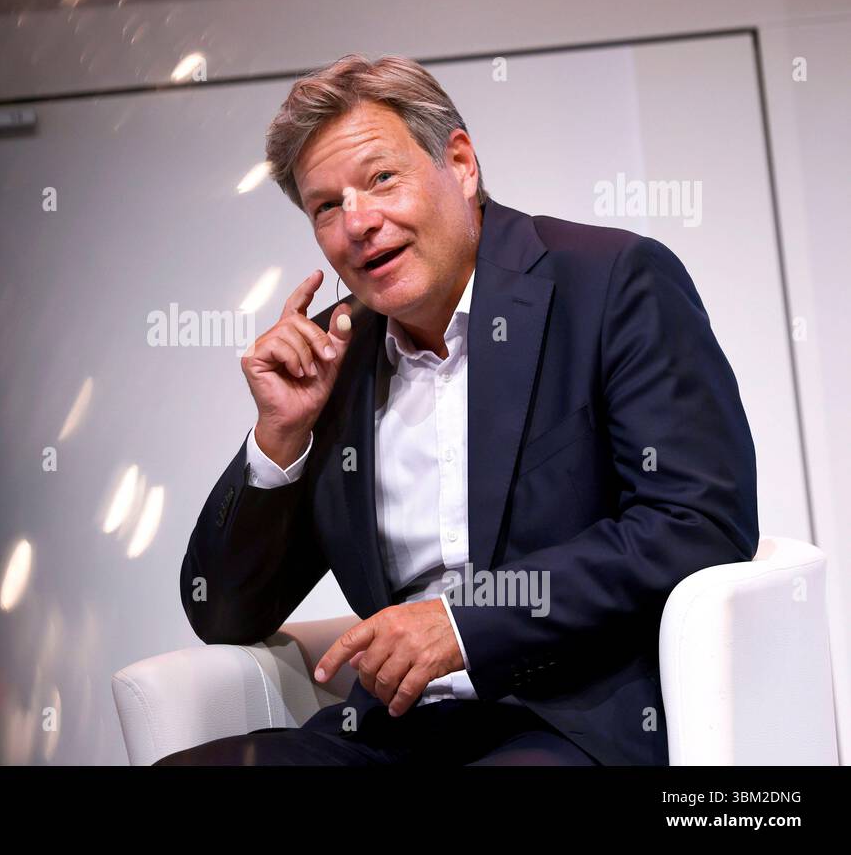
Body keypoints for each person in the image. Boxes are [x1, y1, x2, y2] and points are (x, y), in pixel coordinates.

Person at [159, 54, 759, 765]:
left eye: (381, 179)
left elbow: (697, 523)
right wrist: (281, 436)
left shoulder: (609, 283)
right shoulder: (333, 361)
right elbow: (223, 612)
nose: (360, 223)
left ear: (462, 163)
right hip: (395, 735)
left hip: (571, 723)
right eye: (327, 206)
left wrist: (464, 625)